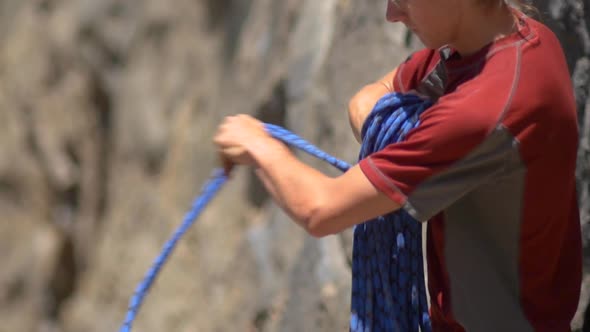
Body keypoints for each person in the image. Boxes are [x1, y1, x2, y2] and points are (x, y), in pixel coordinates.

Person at [214, 0, 582, 330]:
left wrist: (259, 145)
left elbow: (319, 209)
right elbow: (371, 96)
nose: (392, 14)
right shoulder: (511, 42)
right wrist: (409, 139)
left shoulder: (486, 107)